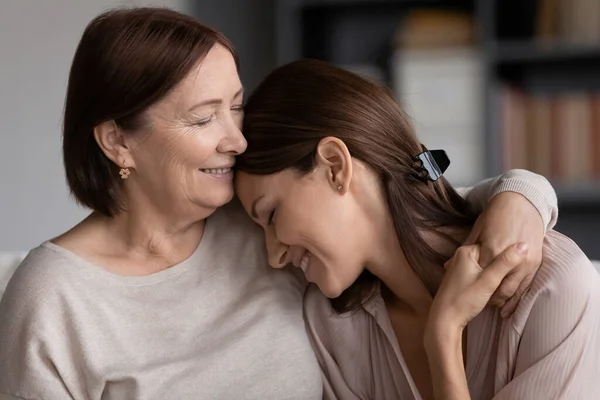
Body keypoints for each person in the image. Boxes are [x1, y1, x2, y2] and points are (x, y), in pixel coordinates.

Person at [0, 8, 559, 400]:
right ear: (118, 141)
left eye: (235, 107)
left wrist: (524, 192)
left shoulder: (261, 224)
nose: (237, 140)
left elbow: (408, 198)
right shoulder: (54, 297)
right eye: (202, 118)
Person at [235, 59, 600, 400]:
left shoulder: (552, 290)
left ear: (334, 167)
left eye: (271, 215)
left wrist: (442, 338)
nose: (273, 254)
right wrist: (523, 189)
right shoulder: (333, 327)